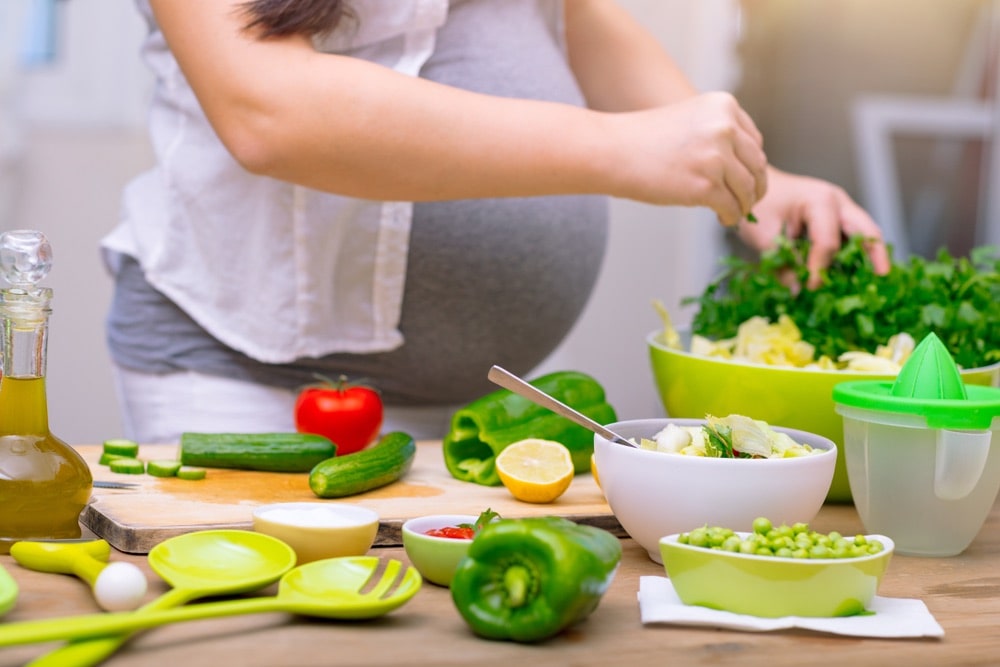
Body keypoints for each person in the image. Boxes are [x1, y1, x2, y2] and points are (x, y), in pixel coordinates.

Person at [103, 0, 890, 444]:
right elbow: (264, 109)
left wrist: (755, 180)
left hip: (488, 411)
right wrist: (619, 148)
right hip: (256, 389)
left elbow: (571, 17)